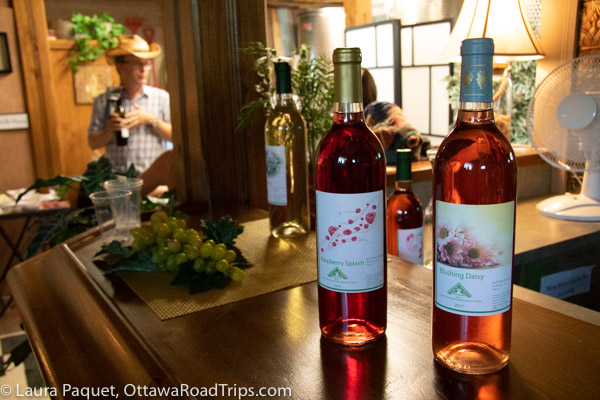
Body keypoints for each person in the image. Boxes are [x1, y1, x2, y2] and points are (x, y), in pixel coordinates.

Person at [88, 34, 172, 175]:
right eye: (138, 63)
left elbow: (175, 137)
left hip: (153, 177)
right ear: (120, 67)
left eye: (146, 64)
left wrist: (152, 120)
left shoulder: (161, 97)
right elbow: (92, 143)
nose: (144, 69)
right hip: (118, 179)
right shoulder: (104, 100)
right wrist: (110, 131)